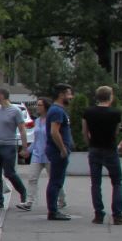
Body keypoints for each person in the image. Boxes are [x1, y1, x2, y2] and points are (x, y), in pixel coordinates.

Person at [82, 85, 122, 225]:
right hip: (110, 149)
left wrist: (90, 143)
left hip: (95, 148)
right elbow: (116, 132)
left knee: (96, 183)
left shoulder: (88, 112)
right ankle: (117, 215)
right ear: (110, 97)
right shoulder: (115, 113)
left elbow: (84, 131)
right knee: (117, 182)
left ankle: (98, 214)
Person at [0, 86, 28, 210]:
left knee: (9, 173)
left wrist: (24, 147)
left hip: (8, 145)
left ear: (2, 96)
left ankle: (23, 192)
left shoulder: (15, 111)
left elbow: (22, 129)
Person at [44, 83, 73, 221]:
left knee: (56, 181)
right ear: (61, 95)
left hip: (57, 150)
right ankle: (53, 211)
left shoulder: (58, 110)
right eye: (69, 94)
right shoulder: (57, 111)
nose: (71, 97)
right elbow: (54, 132)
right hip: (57, 151)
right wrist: (62, 149)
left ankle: (53, 210)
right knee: (56, 181)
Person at [17, 96, 50, 212]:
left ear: (46, 107)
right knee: (32, 178)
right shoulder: (37, 121)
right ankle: (29, 202)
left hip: (49, 155)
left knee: (54, 180)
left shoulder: (51, 121)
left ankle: (61, 200)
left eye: (40, 105)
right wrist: (28, 151)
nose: (37, 107)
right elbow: (36, 140)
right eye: (37, 104)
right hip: (37, 154)